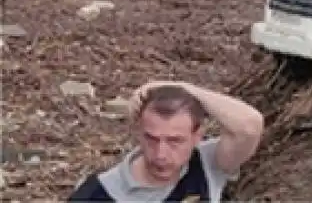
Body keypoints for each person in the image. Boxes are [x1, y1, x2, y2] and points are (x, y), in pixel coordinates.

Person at [68, 81, 264, 202]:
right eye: (152, 139)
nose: (161, 154)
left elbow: (249, 126)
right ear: (138, 132)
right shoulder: (98, 193)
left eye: (175, 141)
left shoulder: (207, 164)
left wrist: (182, 88)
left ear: (197, 136)